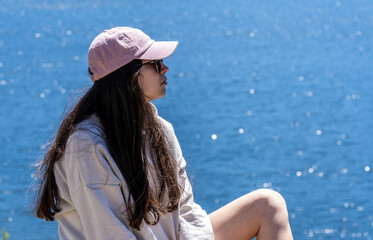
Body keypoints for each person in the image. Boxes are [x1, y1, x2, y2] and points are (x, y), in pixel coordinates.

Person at [33, 27, 293, 240]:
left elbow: (187, 211)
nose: (165, 69)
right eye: (155, 63)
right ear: (128, 75)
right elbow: (109, 234)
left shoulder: (159, 129)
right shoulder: (86, 146)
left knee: (268, 204)